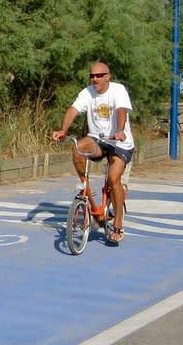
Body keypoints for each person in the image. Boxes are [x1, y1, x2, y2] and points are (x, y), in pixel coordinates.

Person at [51, 62, 134, 244]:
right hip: (97, 139)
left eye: (99, 75)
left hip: (120, 142)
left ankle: (118, 224)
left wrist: (120, 130)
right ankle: (86, 193)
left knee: (113, 179)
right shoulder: (87, 92)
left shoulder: (117, 90)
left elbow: (121, 111)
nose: (95, 79)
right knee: (78, 148)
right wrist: (64, 129)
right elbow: (73, 110)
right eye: (92, 76)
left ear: (107, 76)